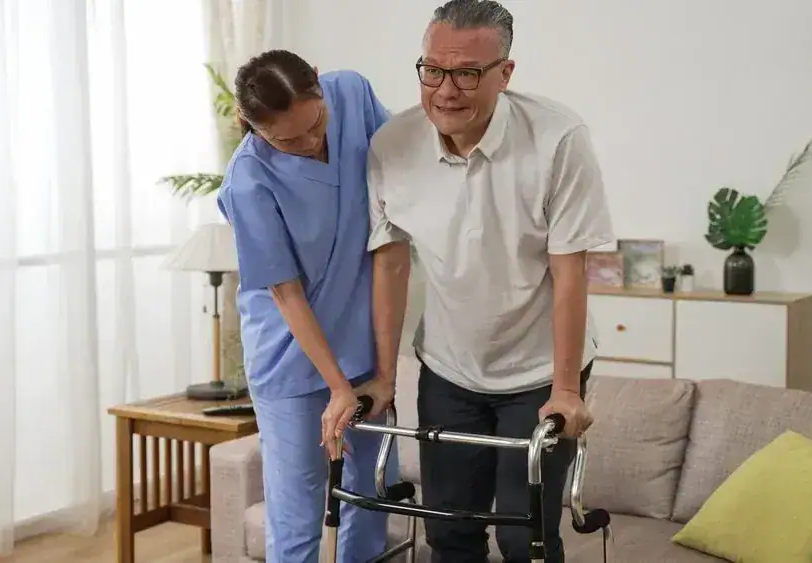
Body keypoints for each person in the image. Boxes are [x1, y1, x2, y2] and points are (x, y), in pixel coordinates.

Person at [366, 1, 614, 562]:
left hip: (540, 372)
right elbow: (390, 262)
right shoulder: (392, 146)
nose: (446, 90)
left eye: (467, 73)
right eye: (433, 69)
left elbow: (569, 271)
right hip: (450, 369)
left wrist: (567, 389)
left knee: (521, 535)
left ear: (505, 73)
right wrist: (383, 377)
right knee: (449, 533)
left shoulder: (558, 139)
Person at [216, 49, 397, 563]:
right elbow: (285, 294)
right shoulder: (249, 181)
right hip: (290, 361)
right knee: (297, 517)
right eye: (287, 141)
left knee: (372, 494)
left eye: (315, 123)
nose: (312, 142)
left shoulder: (352, 92)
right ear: (254, 130)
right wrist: (337, 387)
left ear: (319, 85)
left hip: (360, 344)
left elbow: (401, 169)